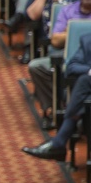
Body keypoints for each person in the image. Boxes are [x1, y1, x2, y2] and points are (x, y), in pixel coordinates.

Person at [28, 0, 91, 127]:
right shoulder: (67, 10)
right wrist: (75, 30)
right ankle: (54, 108)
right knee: (36, 66)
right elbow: (55, 40)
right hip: (66, 57)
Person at [23, 27, 91, 161]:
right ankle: (59, 142)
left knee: (84, 82)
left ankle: (59, 142)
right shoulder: (87, 40)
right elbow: (71, 67)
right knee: (85, 97)